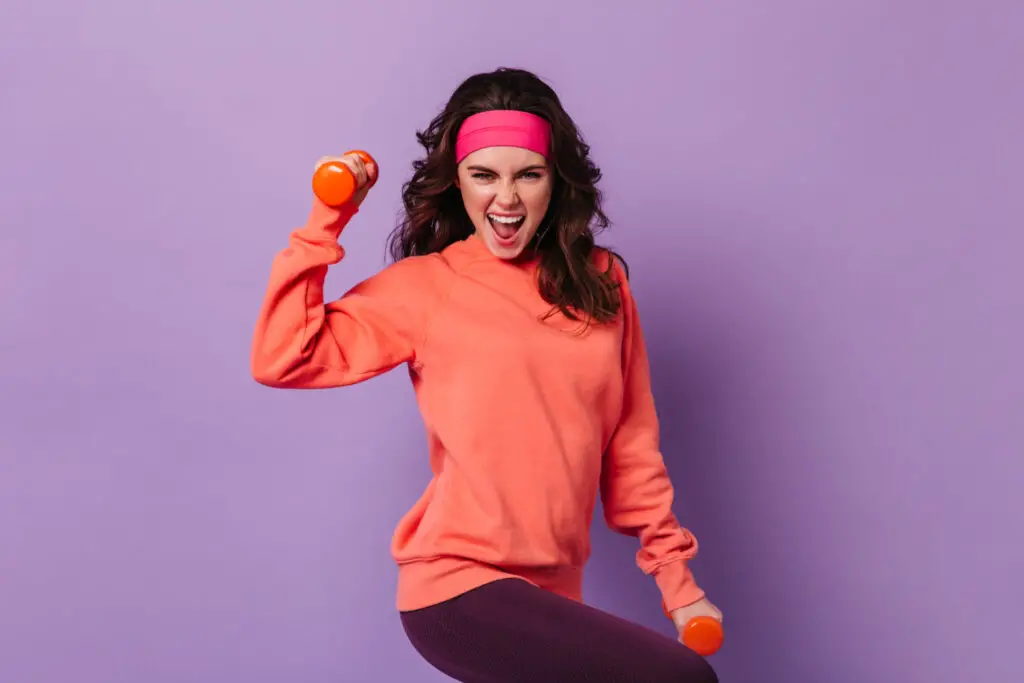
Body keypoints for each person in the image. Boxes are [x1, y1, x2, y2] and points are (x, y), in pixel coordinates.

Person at [250, 67, 721, 682]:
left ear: (557, 181)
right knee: (679, 679)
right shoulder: (431, 287)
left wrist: (678, 588)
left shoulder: (602, 282)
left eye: (528, 174)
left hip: (553, 595)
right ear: (459, 183)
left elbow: (632, 447)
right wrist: (325, 221)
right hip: (458, 586)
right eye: (484, 175)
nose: (506, 199)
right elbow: (283, 356)